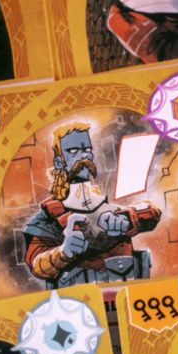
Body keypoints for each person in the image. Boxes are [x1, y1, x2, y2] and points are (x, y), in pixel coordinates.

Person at [22, 123, 161, 288]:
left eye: (87, 150)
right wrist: (62, 252)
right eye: (73, 151)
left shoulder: (111, 209)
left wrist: (127, 219)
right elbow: (37, 264)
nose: (83, 156)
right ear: (59, 161)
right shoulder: (48, 218)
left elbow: (151, 212)